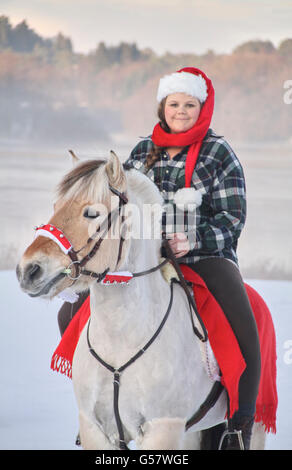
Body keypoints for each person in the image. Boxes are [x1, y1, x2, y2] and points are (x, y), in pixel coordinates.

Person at [57, 67, 261, 450]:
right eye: (174, 104)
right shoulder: (140, 152)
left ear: (202, 108)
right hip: (144, 259)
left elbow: (233, 216)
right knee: (69, 315)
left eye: (189, 104)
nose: (180, 111)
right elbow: (120, 209)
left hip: (205, 257)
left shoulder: (220, 152)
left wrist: (194, 239)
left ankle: (238, 425)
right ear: (162, 107)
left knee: (243, 322)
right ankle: (95, 409)